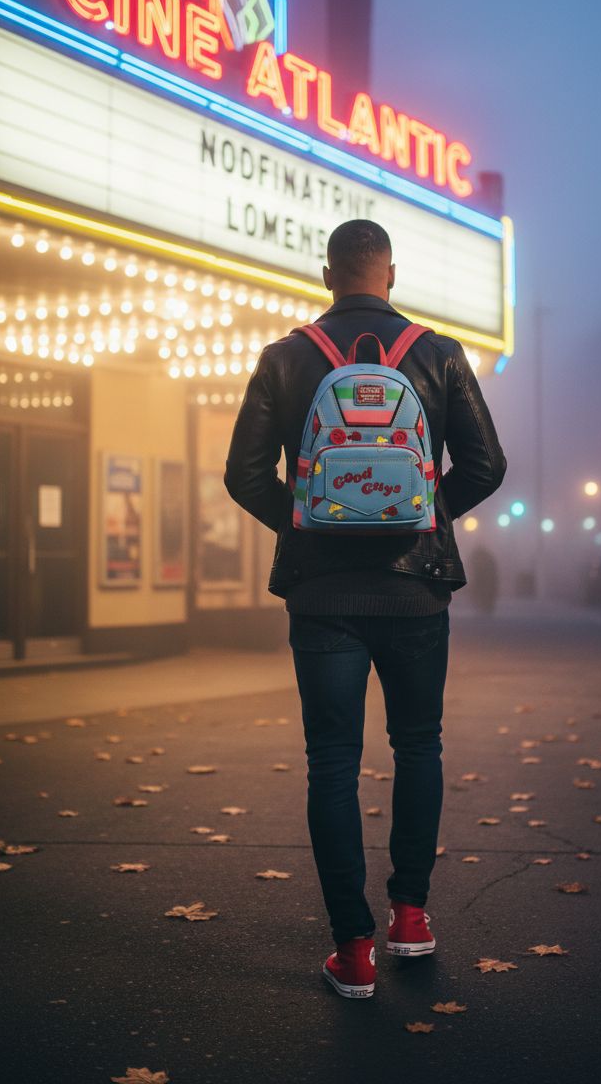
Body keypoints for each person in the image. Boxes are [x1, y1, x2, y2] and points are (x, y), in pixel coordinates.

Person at [225, 218, 506, 999]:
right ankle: (410, 917)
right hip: (416, 592)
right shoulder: (440, 352)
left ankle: (352, 951)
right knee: (419, 746)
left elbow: (242, 474)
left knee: (332, 763)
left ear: (327, 275)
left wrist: (309, 519)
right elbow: (488, 464)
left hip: (323, 596)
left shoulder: (286, 358)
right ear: (390, 275)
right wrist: (424, 511)